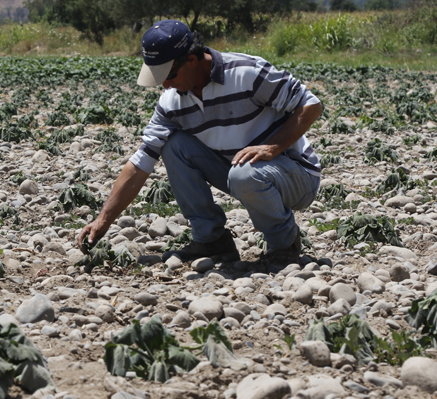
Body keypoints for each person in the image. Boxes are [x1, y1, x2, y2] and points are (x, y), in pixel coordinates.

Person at [77, 19, 322, 269]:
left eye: (169, 75)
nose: (165, 85)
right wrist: (103, 220)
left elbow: (311, 104)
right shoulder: (172, 102)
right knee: (174, 145)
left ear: (191, 61)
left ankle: (285, 244)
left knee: (244, 175)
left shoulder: (247, 72)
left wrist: (273, 146)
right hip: (241, 172)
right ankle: (212, 240)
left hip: (296, 175)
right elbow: (141, 164)